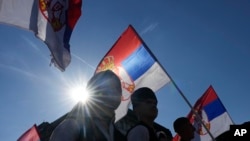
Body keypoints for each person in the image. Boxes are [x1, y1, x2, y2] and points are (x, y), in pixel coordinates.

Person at [49, 70, 125, 141]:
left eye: (117, 89)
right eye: (108, 88)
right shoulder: (72, 125)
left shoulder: (118, 134)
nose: (114, 93)